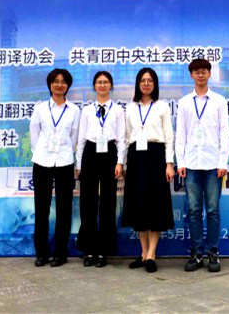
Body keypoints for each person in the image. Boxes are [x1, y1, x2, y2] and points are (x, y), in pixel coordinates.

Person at [175, 58, 229, 273]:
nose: (200, 74)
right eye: (196, 71)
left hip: (213, 164)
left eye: (204, 71)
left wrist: (222, 162)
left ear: (209, 74)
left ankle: (213, 252)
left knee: (213, 210)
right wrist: (181, 161)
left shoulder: (219, 101)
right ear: (191, 75)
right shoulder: (184, 102)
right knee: (194, 210)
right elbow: (181, 134)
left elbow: (224, 133)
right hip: (191, 164)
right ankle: (197, 253)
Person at [121, 67, 175, 273]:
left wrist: (169, 163)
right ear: (138, 84)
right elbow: (126, 138)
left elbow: (169, 136)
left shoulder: (162, 106)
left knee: (155, 205)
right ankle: (143, 253)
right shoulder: (130, 108)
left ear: (155, 84)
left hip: (156, 156)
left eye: (150, 80)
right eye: (143, 80)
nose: (146, 83)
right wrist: (124, 162)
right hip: (136, 157)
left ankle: (152, 253)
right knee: (139, 205)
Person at [29, 68, 80, 267]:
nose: (59, 85)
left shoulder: (74, 110)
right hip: (42, 161)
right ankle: (41, 253)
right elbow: (35, 133)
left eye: (63, 82)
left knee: (64, 209)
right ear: (50, 85)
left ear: (68, 86)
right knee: (41, 209)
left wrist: (64, 151)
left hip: (65, 162)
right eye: (56, 81)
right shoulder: (40, 108)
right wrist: (42, 151)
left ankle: (60, 253)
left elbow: (74, 136)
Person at [75, 71, 126, 268]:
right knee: (87, 202)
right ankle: (89, 250)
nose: (102, 85)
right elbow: (81, 138)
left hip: (109, 154)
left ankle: (104, 250)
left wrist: (119, 162)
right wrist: (79, 164)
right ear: (94, 86)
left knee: (108, 203)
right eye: (99, 82)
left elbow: (121, 139)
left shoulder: (118, 110)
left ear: (111, 86)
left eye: (106, 82)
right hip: (90, 152)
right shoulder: (87, 110)